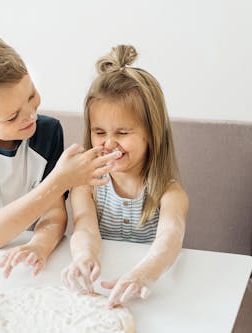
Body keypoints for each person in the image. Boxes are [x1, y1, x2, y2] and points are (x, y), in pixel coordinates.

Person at [0, 33, 120, 278]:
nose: (30, 114)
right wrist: (61, 180)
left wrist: (39, 245)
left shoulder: (47, 132)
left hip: (20, 256)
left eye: (31, 95)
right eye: (12, 116)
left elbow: (53, 212)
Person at [61, 45, 189, 308]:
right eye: (99, 132)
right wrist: (84, 258)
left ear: (151, 134)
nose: (109, 143)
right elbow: (85, 229)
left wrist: (145, 274)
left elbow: (170, 237)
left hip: (148, 292)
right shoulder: (87, 187)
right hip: (102, 290)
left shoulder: (169, 193)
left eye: (122, 133)